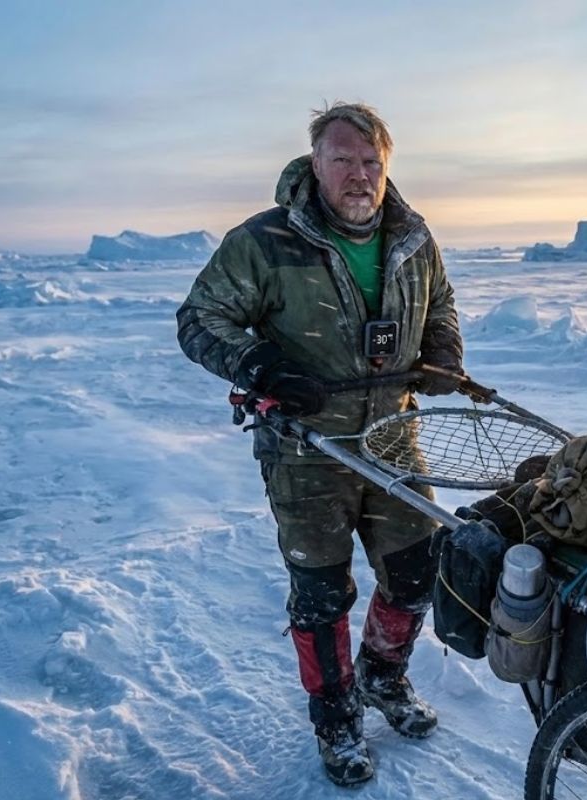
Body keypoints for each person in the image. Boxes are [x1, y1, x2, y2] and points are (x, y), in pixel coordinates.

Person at [176, 102, 463, 788]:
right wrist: (259, 366)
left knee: (416, 573)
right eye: (343, 160)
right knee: (321, 594)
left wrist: (443, 350)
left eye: (371, 163)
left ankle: (382, 676)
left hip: (393, 439)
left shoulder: (413, 238)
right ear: (315, 164)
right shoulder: (265, 241)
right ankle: (335, 717)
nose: (359, 176)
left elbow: (441, 302)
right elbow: (199, 319)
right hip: (306, 451)